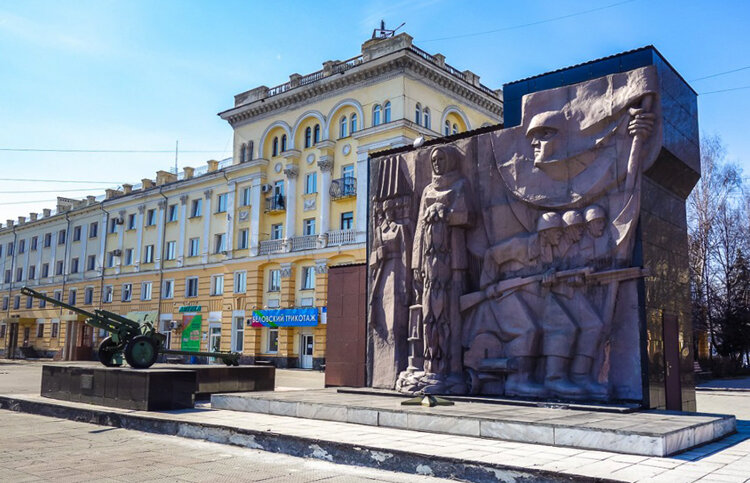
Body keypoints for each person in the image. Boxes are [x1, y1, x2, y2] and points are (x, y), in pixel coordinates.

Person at [412, 145, 473, 390]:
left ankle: (455, 369)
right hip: (429, 261)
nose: (437, 163)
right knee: (429, 313)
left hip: (454, 260)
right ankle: (430, 366)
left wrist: (445, 213)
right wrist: (416, 263)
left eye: (441, 159)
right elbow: (418, 228)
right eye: (434, 159)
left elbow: (469, 216)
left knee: (453, 314)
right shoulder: (427, 189)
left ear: (450, 161)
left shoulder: (460, 184)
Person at [369, 198, 411, 388]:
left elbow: (405, 254)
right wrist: (379, 254)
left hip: (397, 271)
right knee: (381, 317)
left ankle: (394, 368)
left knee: (395, 319)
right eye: (386, 211)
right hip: (383, 273)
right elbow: (373, 255)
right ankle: (382, 374)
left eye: (392, 210)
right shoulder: (379, 231)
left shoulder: (400, 229)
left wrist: (406, 280)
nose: (389, 214)